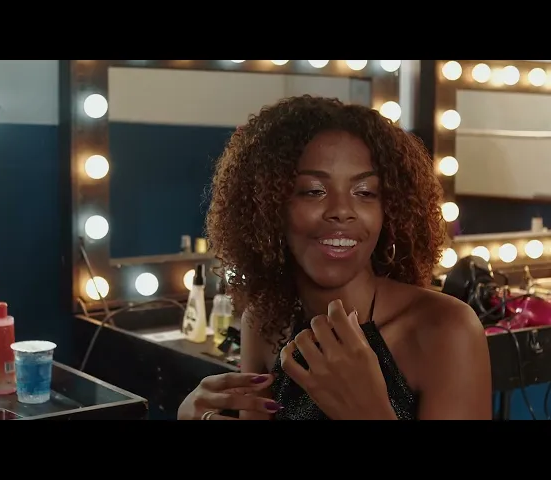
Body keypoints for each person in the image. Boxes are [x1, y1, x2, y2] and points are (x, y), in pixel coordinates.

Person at [177, 95, 492, 420]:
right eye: (314, 191)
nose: (342, 211)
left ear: (389, 211)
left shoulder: (445, 330)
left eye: (365, 192)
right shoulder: (264, 324)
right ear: (269, 208)